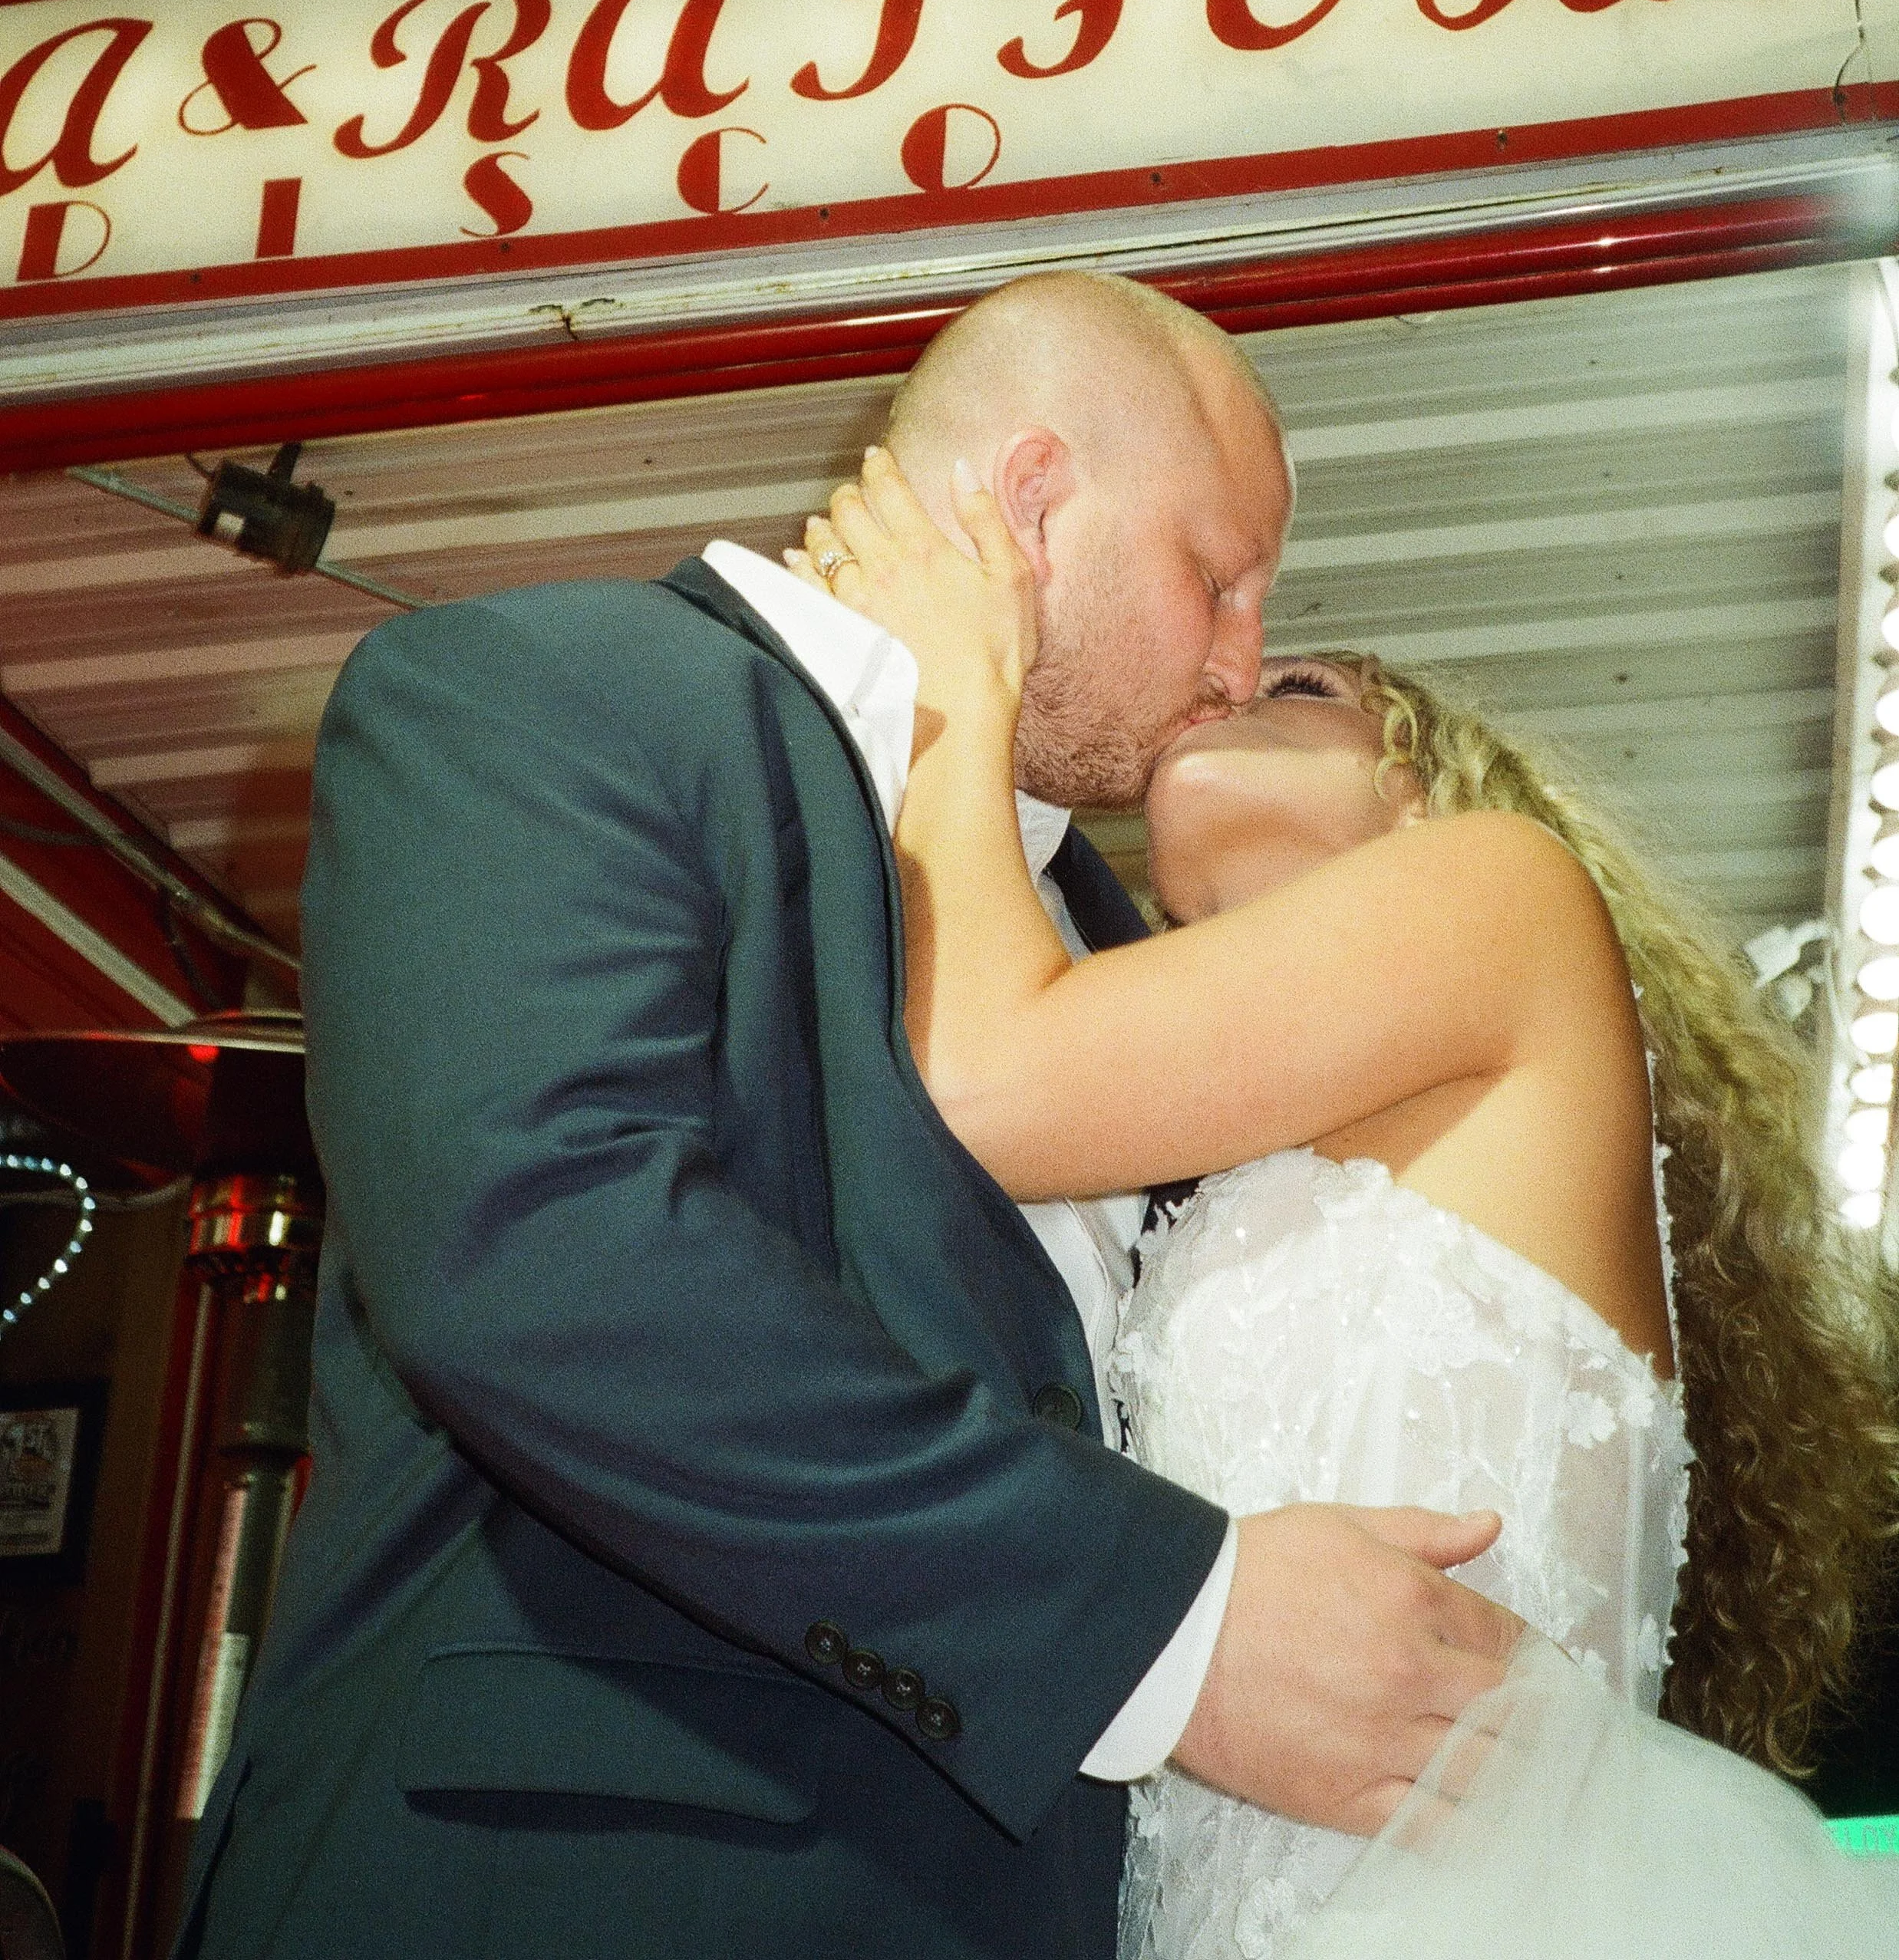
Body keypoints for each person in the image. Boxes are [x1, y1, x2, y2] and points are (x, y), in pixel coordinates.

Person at [176, 272, 1519, 1960]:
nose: (1243, 658)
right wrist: (1165, 1630)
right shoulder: (545, 691)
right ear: (1036, 500)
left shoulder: (1116, 958)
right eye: (1218, 575)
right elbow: (545, 1258)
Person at [790, 450, 1899, 1960]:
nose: (1228, 679)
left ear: (1424, 787)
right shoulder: (1216, 1160)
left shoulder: (1497, 890)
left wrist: (954, 689)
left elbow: (983, 1085)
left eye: (1300, 683)